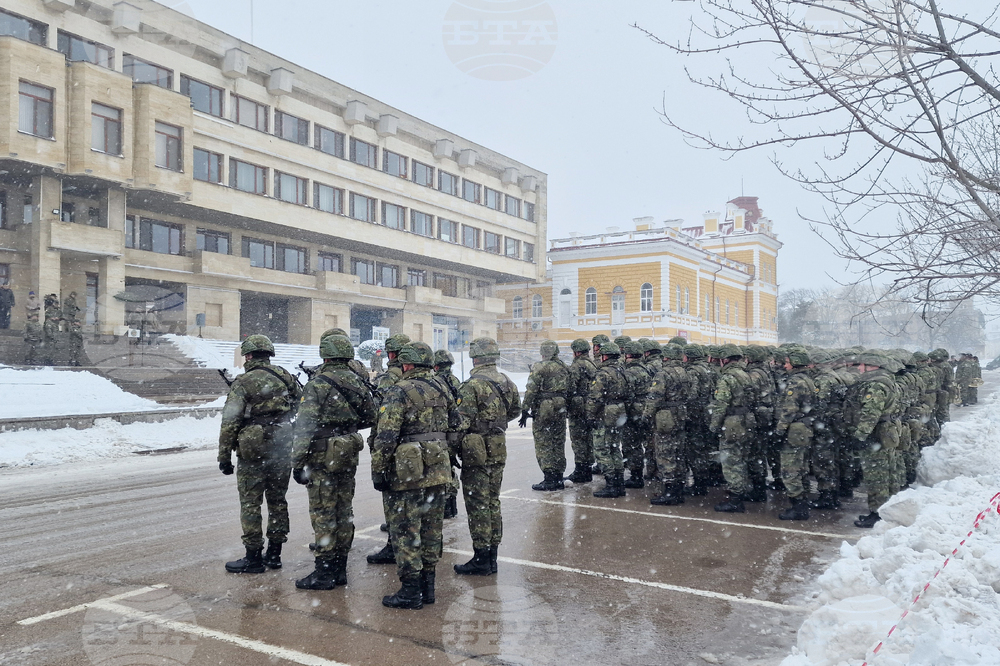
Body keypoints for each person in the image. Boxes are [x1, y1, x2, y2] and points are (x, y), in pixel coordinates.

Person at [372, 342, 457, 609]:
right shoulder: (443, 387)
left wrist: (379, 469)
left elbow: (386, 435)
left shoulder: (399, 390)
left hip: (408, 472)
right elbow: (457, 425)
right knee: (432, 529)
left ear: (407, 364)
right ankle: (428, 587)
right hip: (438, 468)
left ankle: (410, 591)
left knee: (406, 529)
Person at [290, 334, 376, 590]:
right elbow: (371, 416)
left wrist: (297, 462)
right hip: (347, 452)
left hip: (322, 455)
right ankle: (339, 568)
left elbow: (304, 427)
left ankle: (324, 572)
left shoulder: (317, 384)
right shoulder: (358, 381)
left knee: (323, 512)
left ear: (325, 356)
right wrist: (345, 427)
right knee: (343, 510)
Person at [218, 334, 301, 573]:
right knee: (277, 501)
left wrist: (224, 456)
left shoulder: (243, 382)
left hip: (252, 450)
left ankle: (253, 557)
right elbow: (301, 401)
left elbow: (230, 422)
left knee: (251, 503)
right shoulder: (285, 376)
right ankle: (274, 554)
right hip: (281, 446)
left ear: (249, 356)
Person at [453, 337, 521, 576]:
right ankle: (492, 557)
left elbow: (461, 422)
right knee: (492, 500)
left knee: (478, 503)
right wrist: (494, 424)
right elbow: (515, 410)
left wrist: (452, 447)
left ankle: (481, 558)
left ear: (475, 358)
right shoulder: (507, 381)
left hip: (477, 452)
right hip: (497, 447)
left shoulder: (471, 385)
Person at [366, 333, 411, 565]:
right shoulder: (423, 376)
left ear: (391, 353)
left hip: (394, 445)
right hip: (419, 447)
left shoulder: (389, 378)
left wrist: (377, 449)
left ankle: (394, 546)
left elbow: (379, 415)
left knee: (393, 499)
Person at [846, 352, 903, 528]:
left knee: (876, 477)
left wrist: (860, 435)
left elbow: (870, 413)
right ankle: (887, 511)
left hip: (875, 436)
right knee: (888, 474)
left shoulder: (876, 384)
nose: (859, 368)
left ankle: (877, 514)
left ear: (872, 365)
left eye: (862, 365)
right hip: (885, 434)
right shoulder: (887, 380)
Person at [643, 343, 694, 505]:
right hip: (681, 415)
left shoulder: (663, 374)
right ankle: (679, 488)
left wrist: (646, 416)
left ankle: (670, 491)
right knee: (679, 452)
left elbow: (654, 398)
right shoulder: (686, 372)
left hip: (666, 418)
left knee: (665, 452)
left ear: (666, 356)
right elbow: (691, 395)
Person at [708, 345, 755, 513]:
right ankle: (743, 491)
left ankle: (735, 500)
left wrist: (714, 426)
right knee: (742, 457)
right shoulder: (746, 374)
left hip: (733, 423)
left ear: (725, 360)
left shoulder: (727, 378)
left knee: (730, 460)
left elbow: (721, 405)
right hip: (747, 420)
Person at [773, 347, 816, 521]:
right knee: (801, 467)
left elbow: (789, 410)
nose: (785, 365)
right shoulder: (808, 379)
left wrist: (779, 431)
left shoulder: (796, 382)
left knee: (790, 469)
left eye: (788, 362)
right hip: (805, 428)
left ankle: (798, 507)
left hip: (795, 430)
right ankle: (802, 502)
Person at [520, 340, 570, 491]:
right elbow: (571, 387)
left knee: (544, 441)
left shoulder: (539, 367)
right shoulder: (564, 367)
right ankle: (559, 477)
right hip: (561, 406)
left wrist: (525, 409)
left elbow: (531, 389)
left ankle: (549, 478)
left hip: (545, 407)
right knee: (558, 441)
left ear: (543, 353)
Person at [586, 341, 629, 498]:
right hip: (619, 412)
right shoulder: (623, 371)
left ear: (605, 356)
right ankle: (619, 483)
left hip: (605, 413)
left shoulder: (602, 373)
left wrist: (590, 415)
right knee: (614, 447)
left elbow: (595, 397)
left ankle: (611, 484)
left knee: (602, 449)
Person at [620, 341, 655, 488]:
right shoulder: (646, 369)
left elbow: (627, 395)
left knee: (632, 444)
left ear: (628, 355)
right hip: (646, 409)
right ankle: (653, 471)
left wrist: (624, 412)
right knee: (649, 442)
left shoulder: (628, 372)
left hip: (633, 412)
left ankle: (636, 476)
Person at [433, 349, 462, 519]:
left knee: (439, 470)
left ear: (435, 366)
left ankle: (443, 506)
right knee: (449, 467)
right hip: (454, 431)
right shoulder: (455, 381)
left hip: (440, 431)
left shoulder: (435, 382)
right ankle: (451, 505)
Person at [565, 338, 597, 482]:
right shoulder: (592, 364)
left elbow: (571, 386)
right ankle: (587, 469)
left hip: (578, 407)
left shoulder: (577, 365)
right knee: (588, 438)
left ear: (576, 352)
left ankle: (581, 470)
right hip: (590, 406)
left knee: (578, 439)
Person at [23, 291, 42, 365]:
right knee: (28, 350)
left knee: (34, 350)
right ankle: (27, 360)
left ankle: (33, 360)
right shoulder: (28, 323)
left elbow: (40, 331)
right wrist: (26, 337)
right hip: (30, 338)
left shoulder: (38, 324)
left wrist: (37, 307)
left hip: (36, 339)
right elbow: (25, 330)